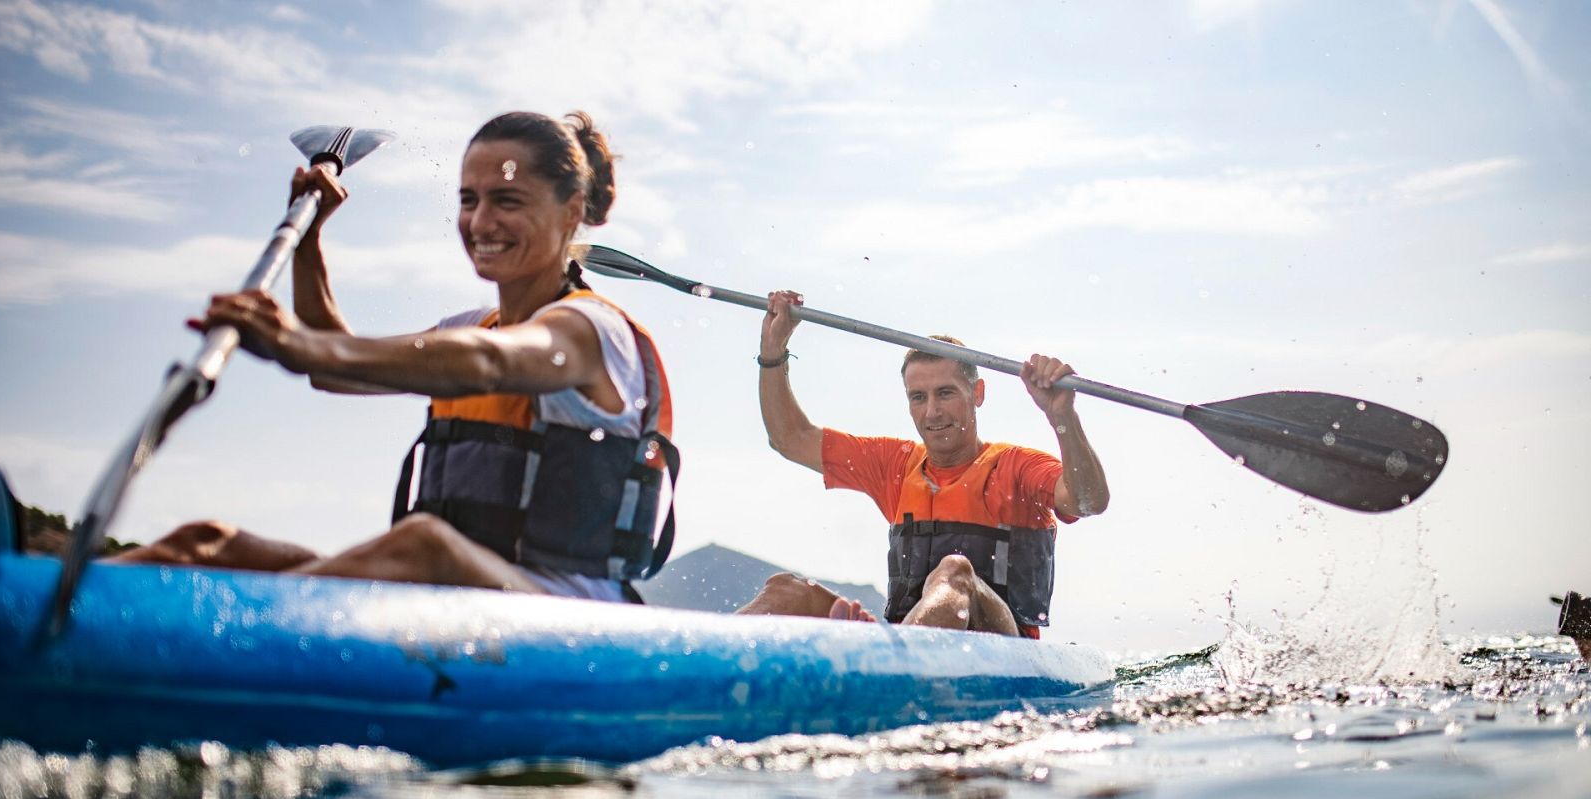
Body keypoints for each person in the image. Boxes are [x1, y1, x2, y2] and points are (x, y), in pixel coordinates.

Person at [118, 111, 677, 603]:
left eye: (507, 200)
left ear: (570, 210)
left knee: (424, 545)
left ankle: (233, 637)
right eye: (469, 200)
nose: (481, 222)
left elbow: (486, 361)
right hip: (454, 597)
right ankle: (42, 605)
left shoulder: (591, 331)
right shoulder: (468, 325)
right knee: (209, 543)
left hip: (568, 618)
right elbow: (333, 368)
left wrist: (297, 341)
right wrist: (309, 244)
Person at [737, 291, 1108, 637]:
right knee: (785, 590)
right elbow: (789, 438)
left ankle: (891, 663)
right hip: (911, 640)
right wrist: (773, 350)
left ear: (976, 394)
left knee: (954, 571)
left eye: (945, 393)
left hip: (1003, 650)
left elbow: (1089, 501)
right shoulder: (894, 465)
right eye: (918, 397)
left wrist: (1062, 416)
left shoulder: (1016, 467)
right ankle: (686, 672)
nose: (932, 412)